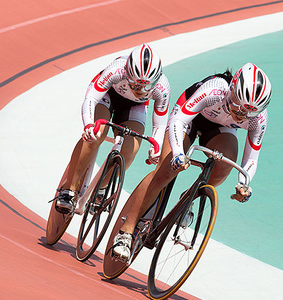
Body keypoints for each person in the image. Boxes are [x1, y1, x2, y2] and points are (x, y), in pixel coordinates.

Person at [111, 62, 272, 261]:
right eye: (238, 106)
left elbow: (251, 159)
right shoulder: (215, 90)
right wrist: (178, 153)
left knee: (224, 167)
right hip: (188, 119)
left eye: (249, 113)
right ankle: (125, 232)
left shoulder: (259, 119)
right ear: (231, 92)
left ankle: (188, 199)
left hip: (220, 129)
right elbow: (179, 121)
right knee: (166, 171)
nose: (241, 115)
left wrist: (244, 184)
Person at [54, 43, 171, 214]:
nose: (140, 90)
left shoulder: (162, 87)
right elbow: (91, 98)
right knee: (97, 134)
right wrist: (88, 125)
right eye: (136, 85)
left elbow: (160, 125)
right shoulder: (117, 69)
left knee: (131, 150)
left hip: (135, 108)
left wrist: (156, 147)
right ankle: (68, 190)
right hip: (108, 97)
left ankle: (101, 189)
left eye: (146, 87)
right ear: (128, 73)